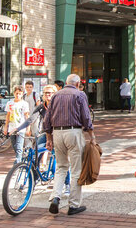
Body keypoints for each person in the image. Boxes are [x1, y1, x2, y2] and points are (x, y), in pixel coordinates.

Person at [44, 74, 96, 216]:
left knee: (61, 167)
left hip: (57, 133)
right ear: (78, 83)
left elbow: (47, 118)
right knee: (76, 170)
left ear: (66, 83)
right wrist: (92, 136)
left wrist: (49, 137)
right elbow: (86, 116)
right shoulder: (79, 95)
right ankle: (73, 205)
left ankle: (56, 197)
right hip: (73, 132)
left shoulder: (55, 96)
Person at [3, 85, 30, 164]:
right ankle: (23, 156)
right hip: (12, 128)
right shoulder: (10, 103)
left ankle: (17, 163)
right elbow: (7, 116)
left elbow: (27, 116)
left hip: (20, 128)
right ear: (14, 93)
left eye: (20, 93)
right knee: (14, 145)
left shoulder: (24, 104)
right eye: (16, 93)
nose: (18, 95)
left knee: (19, 146)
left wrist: (28, 128)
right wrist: (6, 127)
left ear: (22, 94)